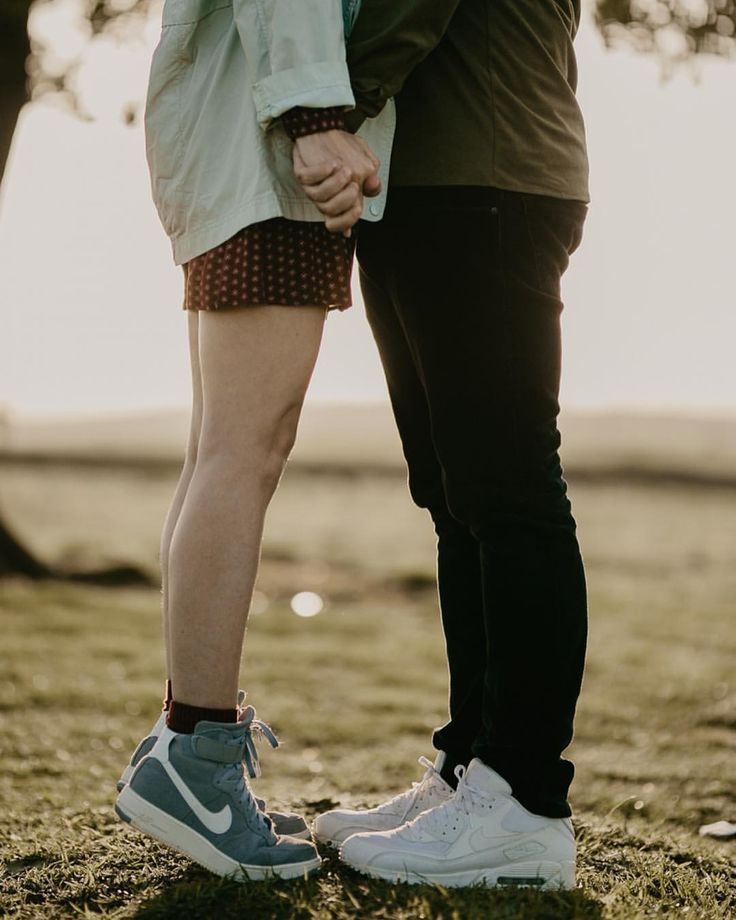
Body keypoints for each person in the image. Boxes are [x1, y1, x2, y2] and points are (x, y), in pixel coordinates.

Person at [307, 0, 591, 890]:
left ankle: (523, 802)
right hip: (426, 183)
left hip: (486, 177)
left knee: (508, 493)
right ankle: (471, 768)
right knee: (456, 500)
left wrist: (317, 113)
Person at [114, 0, 390, 880]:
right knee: (243, 453)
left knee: (220, 454)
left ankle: (183, 743)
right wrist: (314, 118)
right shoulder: (298, 132)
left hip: (242, 151)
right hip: (272, 158)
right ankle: (196, 758)